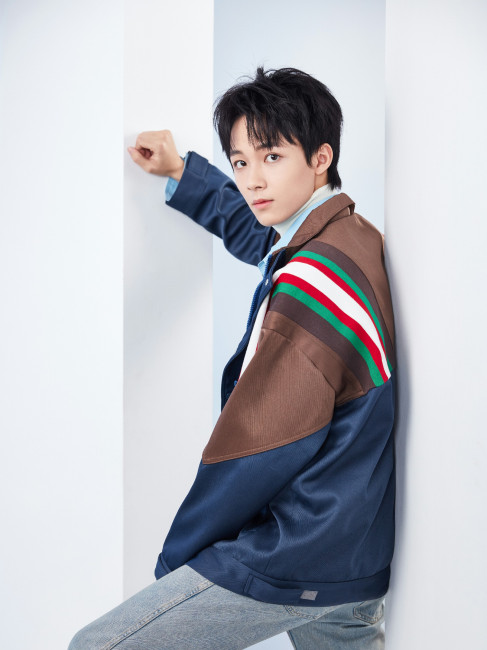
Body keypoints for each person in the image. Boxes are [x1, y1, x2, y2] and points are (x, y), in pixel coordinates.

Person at [68, 67, 396, 649]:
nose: (252, 179)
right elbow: (261, 235)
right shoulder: (346, 236)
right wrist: (181, 172)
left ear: (321, 157)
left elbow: (259, 447)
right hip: (353, 556)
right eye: (241, 162)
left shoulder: (312, 282)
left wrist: (180, 559)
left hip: (296, 552)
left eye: (272, 157)